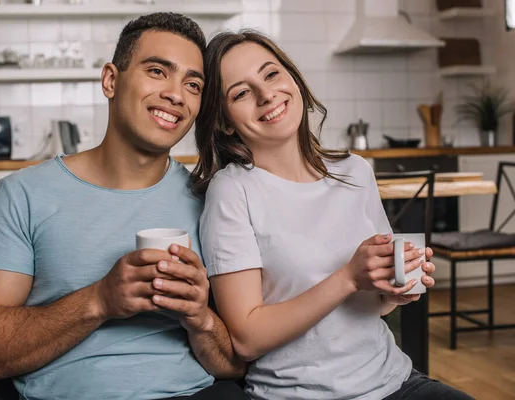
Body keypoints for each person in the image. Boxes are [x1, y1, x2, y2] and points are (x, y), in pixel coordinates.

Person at [0, 13, 248, 400]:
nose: (177, 94)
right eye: (157, 71)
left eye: (193, 84)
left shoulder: (212, 199)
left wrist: (200, 318)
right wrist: (100, 300)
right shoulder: (20, 196)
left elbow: (234, 364)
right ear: (111, 80)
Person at [192, 30, 474, 400]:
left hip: (395, 381)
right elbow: (246, 338)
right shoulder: (232, 191)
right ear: (225, 121)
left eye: (272, 74)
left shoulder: (355, 170)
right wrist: (348, 278)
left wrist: (397, 289)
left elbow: (376, 305)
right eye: (241, 93)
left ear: (293, 79)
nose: (266, 95)